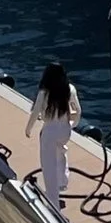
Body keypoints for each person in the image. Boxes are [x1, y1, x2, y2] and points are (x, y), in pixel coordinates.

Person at [26, 63, 75, 207]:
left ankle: (54, 204)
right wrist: (72, 125)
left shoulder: (44, 93)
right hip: (65, 131)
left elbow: (35, 113)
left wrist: (28, 129)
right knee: (60, 152)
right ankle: (63, 181)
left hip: (50, 132)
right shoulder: (69, 90)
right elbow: (77, 111)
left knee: (49, 167)